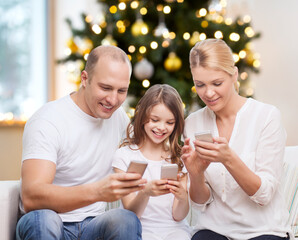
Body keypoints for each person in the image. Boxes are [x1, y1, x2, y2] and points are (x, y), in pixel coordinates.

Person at [16, 45, 147, 240]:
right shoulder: (48, 120)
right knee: (44, 219)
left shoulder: (118, 118)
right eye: (105, 88)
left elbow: (145, 151)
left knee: (125, 219)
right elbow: (31, 197)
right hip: (49, 221)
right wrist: (97, 192)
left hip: (93, 224)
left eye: (122, 91)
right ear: (84, 79)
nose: (113, 99)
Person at [182, 38, 293, 240]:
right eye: (200, 85)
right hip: (214, 229)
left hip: (264, 230)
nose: (208, 93)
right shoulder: (193, 123)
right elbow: (199, 203)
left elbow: (265, 195)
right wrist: (196, 174)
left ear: (234, 75)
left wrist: (229, 159)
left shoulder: (267, 117)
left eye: (217, 83)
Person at [112, 84, 192, 240]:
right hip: (139, 230)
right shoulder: (124, 156)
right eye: (155, 120)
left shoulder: (179, 158)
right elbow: (131, 214)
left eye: (170, 123)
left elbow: (178, 216)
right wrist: (145, 192)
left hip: (175, 230)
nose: (161, 128)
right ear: (142, 117)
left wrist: (182, 197)